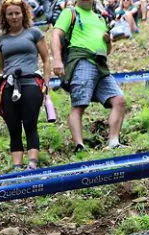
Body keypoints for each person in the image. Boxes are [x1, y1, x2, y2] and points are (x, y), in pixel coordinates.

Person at [51, 0, 127, 151]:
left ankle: (114, 142)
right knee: (79, 104)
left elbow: (107, 50)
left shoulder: (100, 18)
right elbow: (56, 35)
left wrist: (108, 42)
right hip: (81, 60)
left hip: (101, 64)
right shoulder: (70, 12)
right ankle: (79, 146)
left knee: (119, 100)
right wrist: (57, 60)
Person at [0, 0, 51, 170]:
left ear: (24, 13)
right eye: (10, 14)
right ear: (4, 16)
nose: (14, 17)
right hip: (9, 85)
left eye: (17, 13)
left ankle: (32, 163)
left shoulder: (34, 33)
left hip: (31, 83)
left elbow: (47, 59)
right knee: (13, 126)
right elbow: (2, 67)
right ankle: (17, 166)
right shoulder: (0, 40)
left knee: (29, 122)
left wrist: (46, 84)